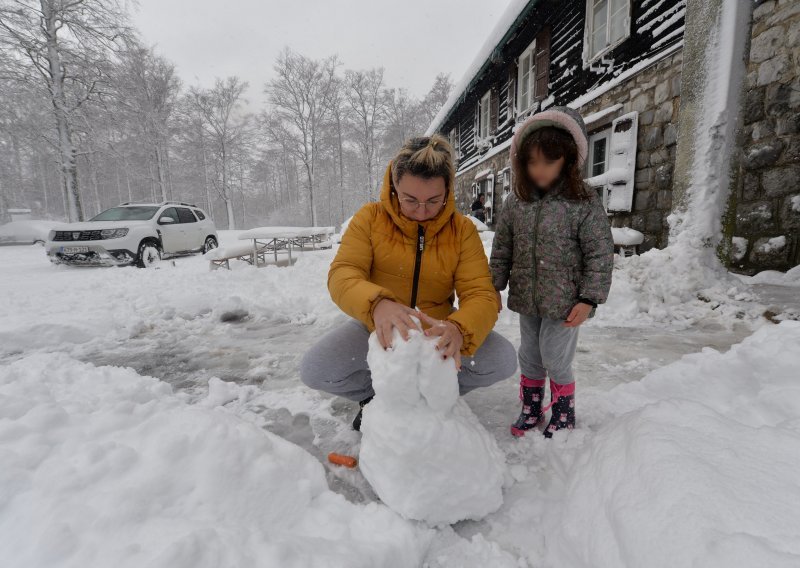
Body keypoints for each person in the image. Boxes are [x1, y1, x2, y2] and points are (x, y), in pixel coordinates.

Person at [301, 134, 517, 430]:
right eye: (410, 200)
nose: (422, 211)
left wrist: (458, 328)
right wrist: (377, 305)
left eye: (433, 201)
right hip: (377, 328)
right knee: (316, 369)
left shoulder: (462, 230)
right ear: (394, 187)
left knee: (503, 359)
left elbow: (481, 293)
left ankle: (433, 395)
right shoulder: (369, 218)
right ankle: (380, 399)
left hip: (437, 330)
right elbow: (343, 273)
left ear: (447, 191)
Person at [490, 106, 614, 438]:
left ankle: (562, 412)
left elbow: (599, 253)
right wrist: (493, 287)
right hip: (528, 297)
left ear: (568, 159)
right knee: (529, 353)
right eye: (532, 162)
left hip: (565, 302)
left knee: (555, 356)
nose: (539, 170)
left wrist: (589, 299)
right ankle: (531, 407)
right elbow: (502, 248)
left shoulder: (583, 201)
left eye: (549, 161)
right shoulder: (516, 201)